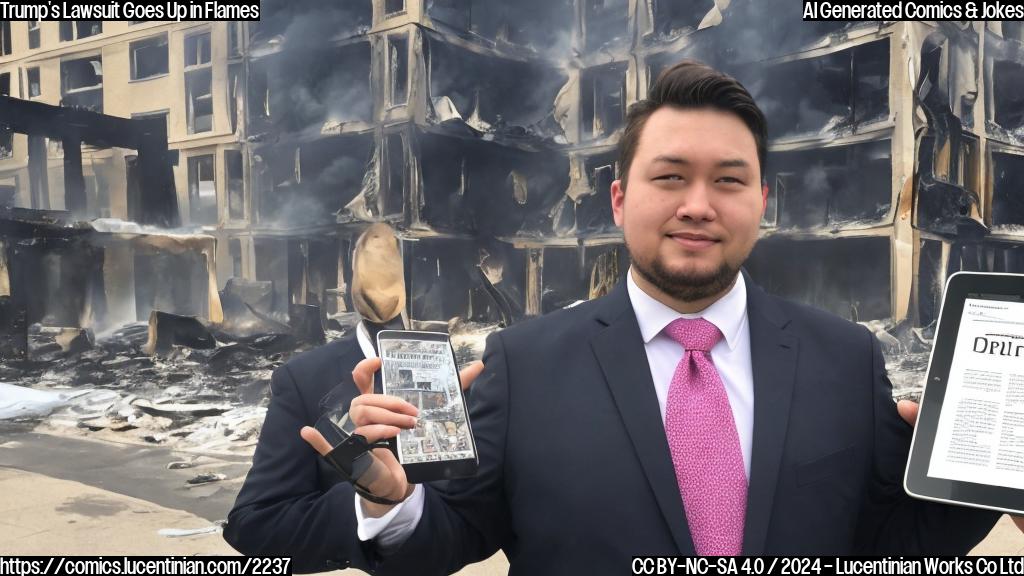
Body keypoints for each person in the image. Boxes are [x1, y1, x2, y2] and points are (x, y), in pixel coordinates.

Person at [300, 60, 1002, 573]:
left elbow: (886, 539)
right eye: (669, 177)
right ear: (616, 201)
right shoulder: (525, 365)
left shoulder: (845, 359)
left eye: (728, 180)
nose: (698, 204)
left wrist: (995, 484)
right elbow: (454, 535)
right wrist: (392, 501)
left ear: (763, 202)